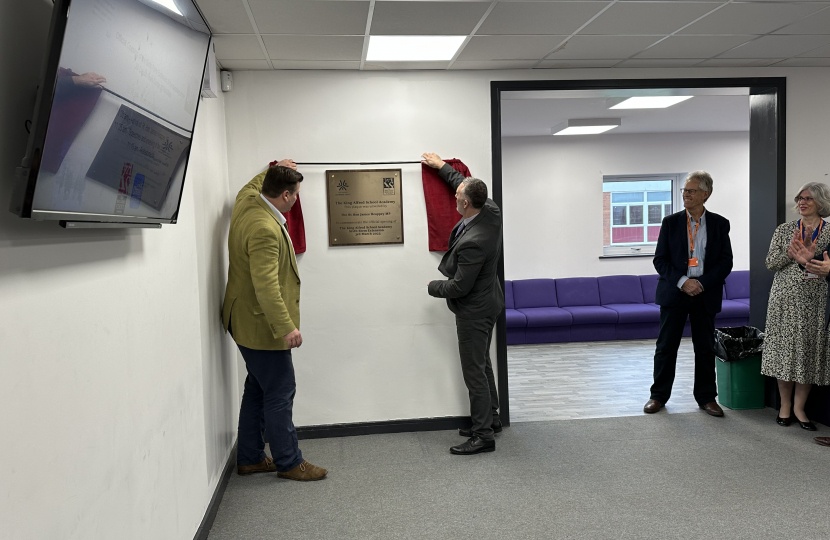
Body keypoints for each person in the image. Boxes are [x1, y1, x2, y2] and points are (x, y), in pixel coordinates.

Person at [221, 160, 327, 481]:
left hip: (241, 318)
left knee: (257, 388)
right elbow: (265, 285)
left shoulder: (248, 201)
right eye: (295, 194)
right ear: (284, 195)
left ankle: (251, 457)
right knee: (281, 390)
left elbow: (250, 186)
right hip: (260, 326)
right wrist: (286, 328)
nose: (296, 200)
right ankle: (289, 461)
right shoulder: (265, 229)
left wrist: (276, 166)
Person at [422, 152, 503, 455]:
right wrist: (442, 167)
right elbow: (461, 182)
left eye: (457, 197)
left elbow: (459, 286)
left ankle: (483, 436)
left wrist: (432, 287)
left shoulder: (475, 240)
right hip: (490, 302)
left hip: (475, 310)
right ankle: (491, 419)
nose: (454, 197)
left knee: (473, 371)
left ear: (466, 204)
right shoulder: (490, 209)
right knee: (482, 363)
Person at [644, 171, 733, 417]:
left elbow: (725, 262)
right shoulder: (670, 223)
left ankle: (706, 397)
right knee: (665, 346)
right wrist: (684, 282)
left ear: (706, 194)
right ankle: (658, 396)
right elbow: (660, 260)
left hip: (705, 293)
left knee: (704, 347)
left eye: (691, 191)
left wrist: (701, 284)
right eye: (684, 190)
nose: (686, 195)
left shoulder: (719, 224)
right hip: (675, 292)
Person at [762, 183, 830, 431]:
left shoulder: (829, 231)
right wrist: (790, 255)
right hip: (785, 300)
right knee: (785, 352)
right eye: (799, 198)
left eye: (808, 198)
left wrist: (810, 260)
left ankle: (800, 408)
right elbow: (770, 263)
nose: (802, 202)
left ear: (821, 202)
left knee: (808, 353)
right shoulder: (785, 230)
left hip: (816, 302)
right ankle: (785, 406)